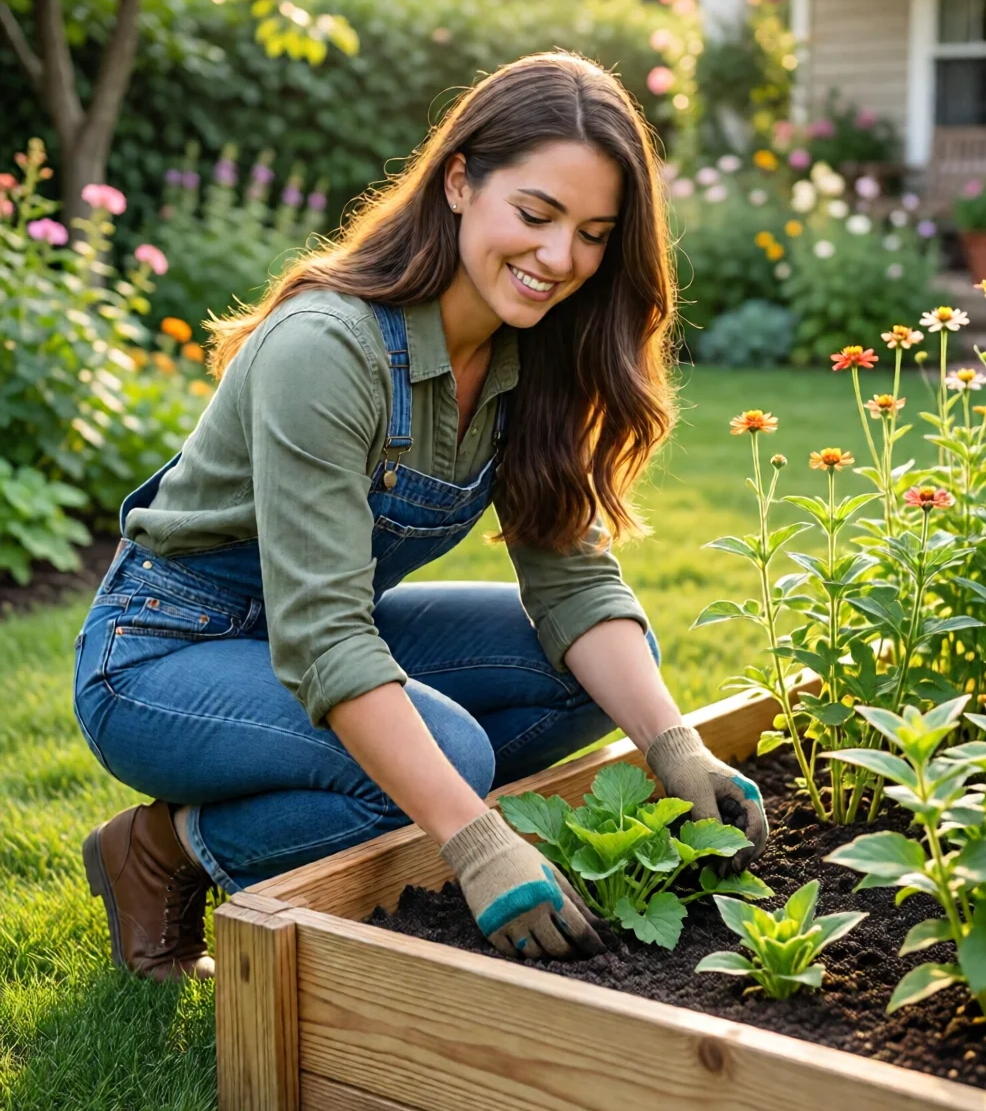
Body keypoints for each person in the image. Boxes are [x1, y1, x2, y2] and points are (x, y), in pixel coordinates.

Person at [73, 52, 767, 982]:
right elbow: (323, 631)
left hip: (311, 629)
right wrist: (474, 843)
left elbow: (571, 577)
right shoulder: (329, 349)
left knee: (579, 677)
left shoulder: (535, 358)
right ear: (457, 181)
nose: (561, 259)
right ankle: (164, 848)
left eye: (595, 233)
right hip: (162, 655)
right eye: (536, 214)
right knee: (449, 760)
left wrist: (674, 749)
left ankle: (379, 799)